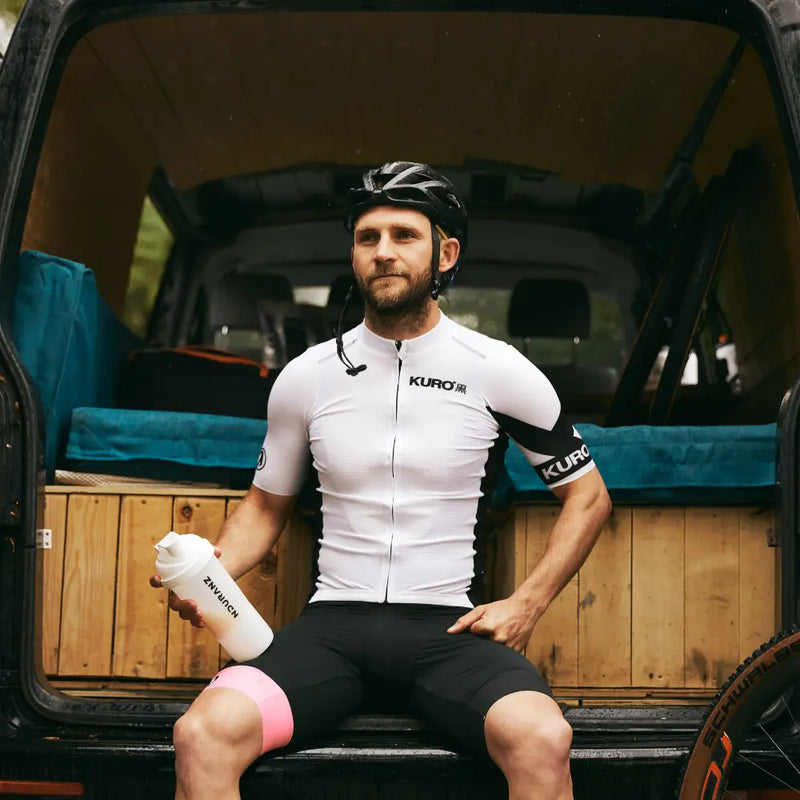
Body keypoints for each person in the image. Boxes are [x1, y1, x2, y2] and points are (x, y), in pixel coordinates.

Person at [151, 161, 612, 800]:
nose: (383, 252)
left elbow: (588, 496)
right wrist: (208, 576)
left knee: (543, 739)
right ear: (354, 256)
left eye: (404, 235)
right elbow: (263, 509)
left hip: (449, 635)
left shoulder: (498, 369)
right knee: (202, 734)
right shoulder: (307, 376)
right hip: (330, 632)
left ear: (445, 254)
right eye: (368, 237)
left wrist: (526, 604)